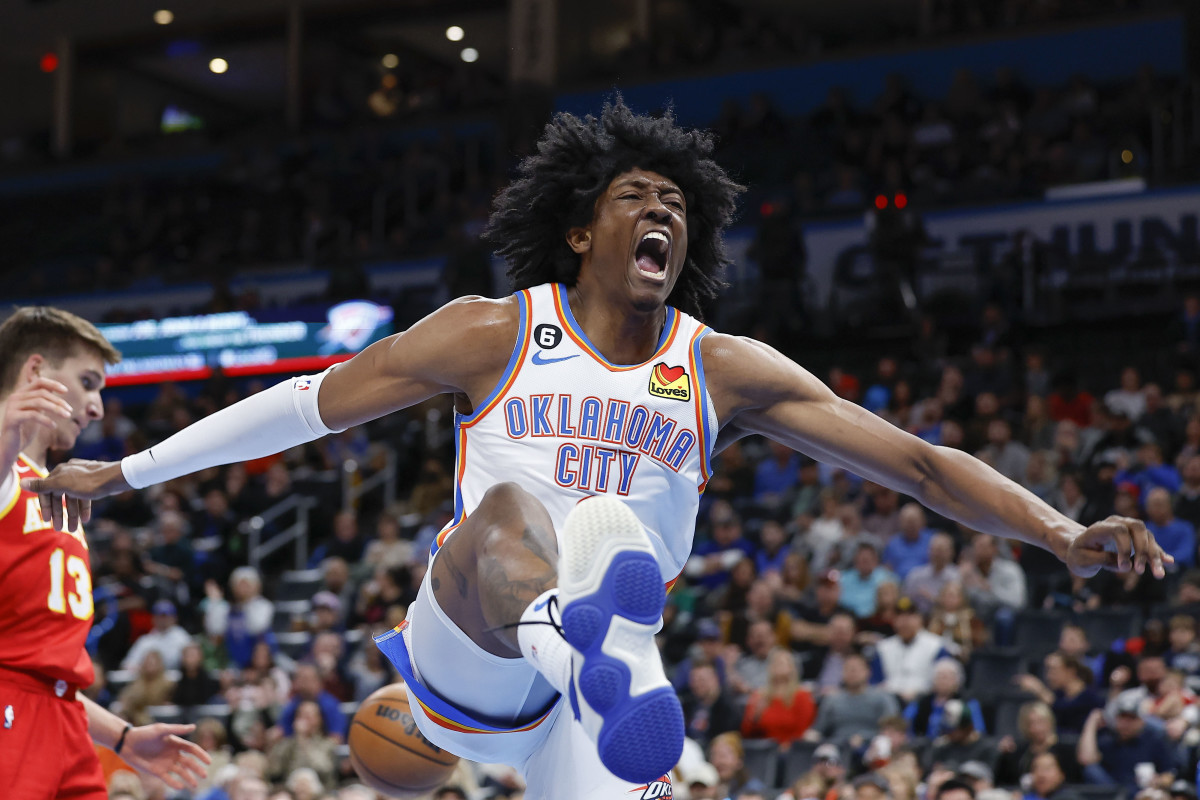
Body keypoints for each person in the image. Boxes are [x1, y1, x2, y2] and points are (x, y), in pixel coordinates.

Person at [24, 101, 1174, 797]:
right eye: (637, 195)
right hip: (475, 650)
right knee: (512, 517)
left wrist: (1059, 528)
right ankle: (581, 641)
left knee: (611, 534)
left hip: (604, 691)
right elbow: (307, 404)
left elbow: (915, 461)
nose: (663, 209)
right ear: (582, 230)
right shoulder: (495, 331)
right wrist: (126, 471)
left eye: (677, 202)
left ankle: (601, 653)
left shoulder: (721, 366)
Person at [0, 306, 210, 798]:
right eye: (88, 382)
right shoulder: (7, 473)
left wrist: (121, 736)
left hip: (63, 716)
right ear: (36, 372)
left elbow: (44, 671)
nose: (96, 407)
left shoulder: (56, 491)